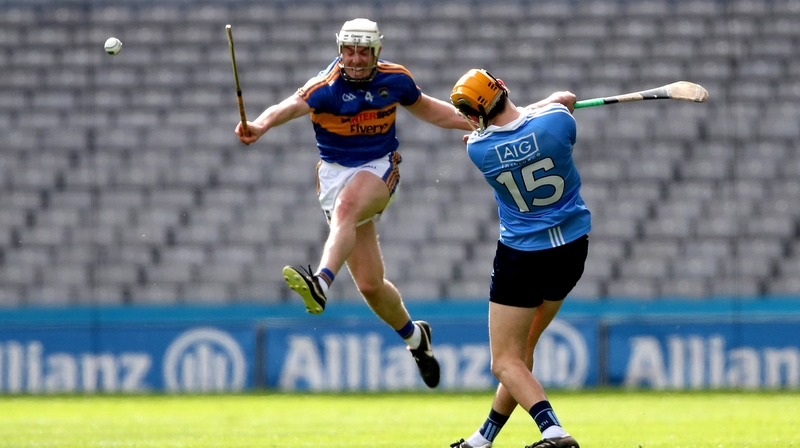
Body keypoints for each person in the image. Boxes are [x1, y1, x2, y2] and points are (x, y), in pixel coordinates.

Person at [234, 18, 471, 389]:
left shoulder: (395, 79)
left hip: (379, 166)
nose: (356, 59)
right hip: (333, 175)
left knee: (346, 209)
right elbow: (289, 106)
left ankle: (321, 283)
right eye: (349, 51)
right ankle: (416, 339)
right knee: (371, 285)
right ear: (340, 50)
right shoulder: (326, 86)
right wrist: (260, 125)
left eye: (364, 51)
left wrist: (479, 123)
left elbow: (430, 109)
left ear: (377, 52)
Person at [448, 69, 588, 448]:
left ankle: (553, 432)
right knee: (522, 352)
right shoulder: (558, 122)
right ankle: (483, 439)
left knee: (504, 362)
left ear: (473, 116)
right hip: (571, 249)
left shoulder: (478, 149)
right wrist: (561, 100)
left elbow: (503, 128)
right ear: (503, 88)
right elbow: (557, 103)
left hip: (523, 257)